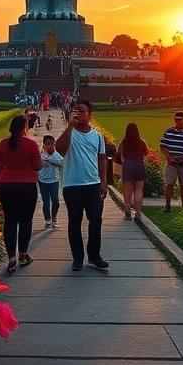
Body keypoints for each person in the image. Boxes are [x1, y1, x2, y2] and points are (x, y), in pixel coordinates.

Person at [55, 99, 109, 272]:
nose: (78, 114)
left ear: (90, 116)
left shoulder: (97, 136)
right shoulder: (70, 133)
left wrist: (104, 181)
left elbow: (101, 159)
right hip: (72, 185)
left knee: (96, 220)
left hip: (93, 184)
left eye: (82, 111)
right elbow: (59, 149)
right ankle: (77, 257)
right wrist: (70, 126)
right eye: (75, 111)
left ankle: (94, 256)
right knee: (75, 221)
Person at [0, 115, 43, 272]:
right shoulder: (30, 144)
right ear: (24, 127)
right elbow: (37, 166)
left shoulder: (2, 144)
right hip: (26, 186)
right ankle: (23, 254)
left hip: (7, 186)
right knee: (26, 220)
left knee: (10, 221)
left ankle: (11, 258)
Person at [159, 110, 183, 213]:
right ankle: (167, 205)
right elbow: (162, 146)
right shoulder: (169, 132)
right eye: (177, 119)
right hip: (172, 163)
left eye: (181, 119)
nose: (178, 121)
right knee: (169, 184)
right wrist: (169, 157)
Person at [116, 122, 148, 223]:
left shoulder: (123, 142)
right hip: (139, 164)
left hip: (128, 165)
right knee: (138, 190)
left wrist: (124, 160)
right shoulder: (141, 141)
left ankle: (128, 209)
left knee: (127, 189)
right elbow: (146, 152)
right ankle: (138, 213)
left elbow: (119, 155)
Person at [38, 134, 63, 229]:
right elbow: (38, 164)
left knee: (55, 200)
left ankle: (54, 216)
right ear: (44, 145)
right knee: (46, 201)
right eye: (48, 144)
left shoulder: (57, 155)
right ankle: (47, 219)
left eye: (52, 144)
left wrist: (50, 160)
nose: (50, 146)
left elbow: (60, 162)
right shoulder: (41, 155)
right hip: (43, 180)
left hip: (54, 180)